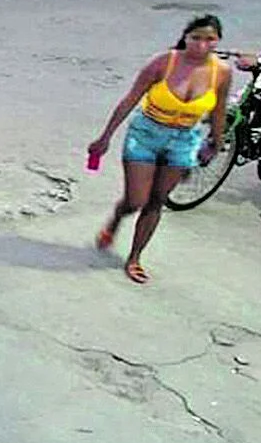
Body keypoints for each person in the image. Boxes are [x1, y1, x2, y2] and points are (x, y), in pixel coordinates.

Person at [87, 15, 230, 284]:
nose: (201, 45)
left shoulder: (221, 73)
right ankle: (117, 218)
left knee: (157, 200)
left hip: (185, 139)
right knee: (135, 200)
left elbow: (219, 110)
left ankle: (135, 257)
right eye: (196, 37)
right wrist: (105, 137)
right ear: (185, 37)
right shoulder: (163, 62)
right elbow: (131, 98)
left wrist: (216, 141)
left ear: (217, 42)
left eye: (209, 39)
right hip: (146, 134)